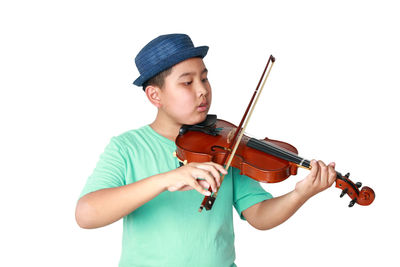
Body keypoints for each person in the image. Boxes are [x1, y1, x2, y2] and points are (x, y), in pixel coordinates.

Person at [75, 33, 336, 267]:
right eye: (187, 83)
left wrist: (300, 195)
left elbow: (259, 215)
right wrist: (167, 179)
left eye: (204, 78)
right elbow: (86, 214)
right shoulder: (127, 147)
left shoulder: (226, 146)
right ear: (155, 96)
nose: (203, 91)